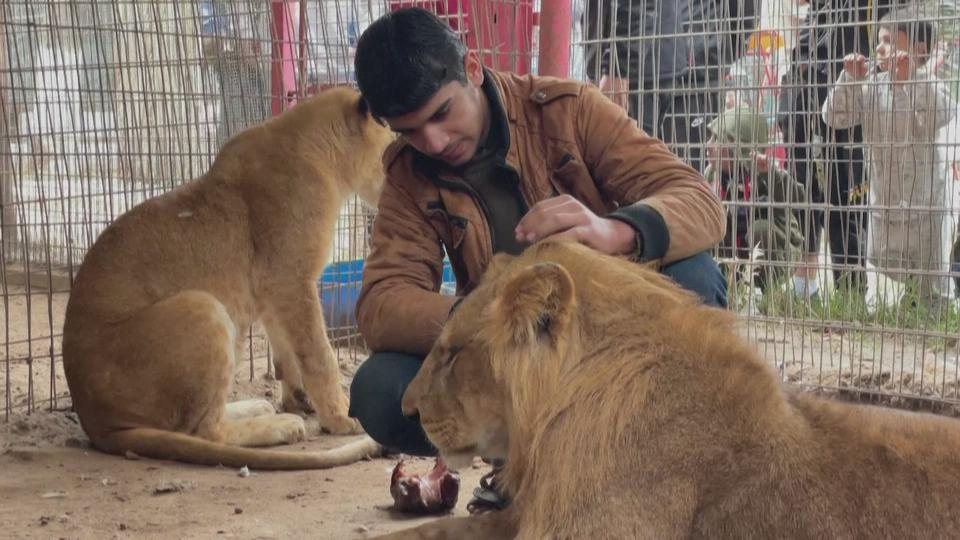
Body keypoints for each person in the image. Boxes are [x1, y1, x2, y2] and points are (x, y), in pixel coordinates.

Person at [348, 7, 727, 514]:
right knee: (379, 389)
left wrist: (614, 231)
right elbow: (381, 305)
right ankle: (523, 470)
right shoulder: (407, 173)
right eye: (409, 131)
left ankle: (648, 461)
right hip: (508, 356)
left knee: (694, 276)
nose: (432, 143)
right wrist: (478, 318)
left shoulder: (568, 111)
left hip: (603, 350)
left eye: (442, 113)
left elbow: (699, 201)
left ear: (474, 69)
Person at [822, 7, 956, 306]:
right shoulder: (871, 87)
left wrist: (911, 81)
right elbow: (833, 117)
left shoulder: (929, 85)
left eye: (887, 41)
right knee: (883, 275)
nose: (879, 49)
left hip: (925, 207)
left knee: (931, 287)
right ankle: (885, 314)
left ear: (919, 49)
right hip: (884, 206)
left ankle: (932, 316)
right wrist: (850, 80)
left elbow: (944, 111)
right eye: (878, 42)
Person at [777, 0, 908, 302]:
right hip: (808, 68)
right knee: (803, 181)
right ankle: (803, 282)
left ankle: (850, 294)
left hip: (852, 73)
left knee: (846, 188)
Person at [582, 0, 758, 173]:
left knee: (649, 170)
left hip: (665, 67)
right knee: (648, 168)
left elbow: (745, 16)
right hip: (657, 61)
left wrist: (718, 55)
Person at [705, 107, 806, 293]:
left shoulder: (763, 171)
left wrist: (771, 175)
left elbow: (799, 199)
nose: (708, 145)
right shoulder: (712, 175)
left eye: (717, 139)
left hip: (777, 250)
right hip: (735, 248)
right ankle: (727, 289)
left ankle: (768, 293)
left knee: (760, 230)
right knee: (711, 227)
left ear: (739, 147)